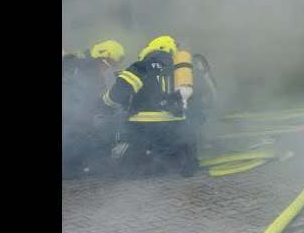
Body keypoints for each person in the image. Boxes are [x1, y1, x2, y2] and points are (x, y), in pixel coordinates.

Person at [104, 35, 201, 176]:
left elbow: (118, 93)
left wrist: (104, 101)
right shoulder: (182, 70)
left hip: (145, 129)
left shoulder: (143, 65)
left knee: (131, 162)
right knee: (177, 153)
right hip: (177, 130)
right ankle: (180, 163)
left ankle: (144, 164)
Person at [62, 40, 126, 178]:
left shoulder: (85, 65)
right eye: (107, 63)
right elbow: (82, 99)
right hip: (72, 119)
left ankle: (76, 167)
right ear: (102, 57)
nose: (106, 68)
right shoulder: (83, 68)